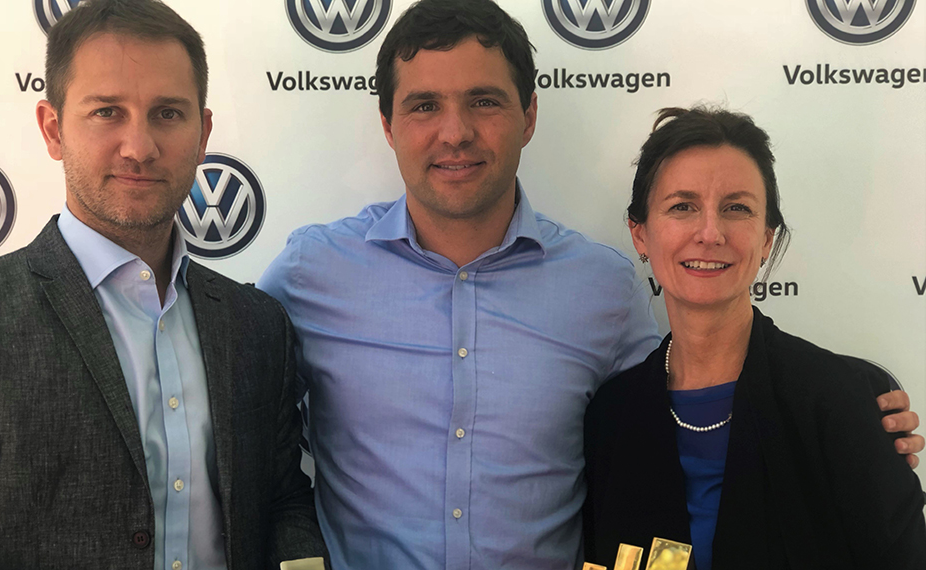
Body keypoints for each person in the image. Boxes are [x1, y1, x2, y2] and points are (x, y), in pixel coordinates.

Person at [257, 1, 922, 568]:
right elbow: (237, 423)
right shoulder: (311, 273)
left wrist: (848, 420)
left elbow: (667, 420)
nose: (454, 132)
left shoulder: (602, 287)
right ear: (387, 125)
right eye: (424, 105)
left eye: (484, 101)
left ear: (529, 115)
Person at [0, 1, 327, 568]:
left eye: (167, 113)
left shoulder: (257, 323)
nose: (139, 147)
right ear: (53, 129)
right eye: (107, 112)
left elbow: (283, 500)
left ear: (203, 133)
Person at [583, 107, 926, 570]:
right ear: (640, 234)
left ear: (766, 239)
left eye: (736, 208)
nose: (710, 233)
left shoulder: (841, 401)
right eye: (682, 206)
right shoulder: (610, 417)